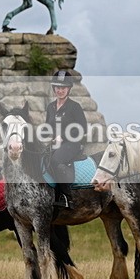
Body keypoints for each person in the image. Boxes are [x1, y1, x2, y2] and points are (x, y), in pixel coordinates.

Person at [45, 70, 87, 209]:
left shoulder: (75, 107)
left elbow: (82, 129)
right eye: (57, 87)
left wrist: (62, 137)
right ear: (53, 88)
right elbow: (47, 127)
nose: (60, 90)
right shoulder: (50, 107)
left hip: (72, 144)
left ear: (68, 89)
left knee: (56, 160)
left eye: (63, 88)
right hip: (54, 144)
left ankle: (67, 198)